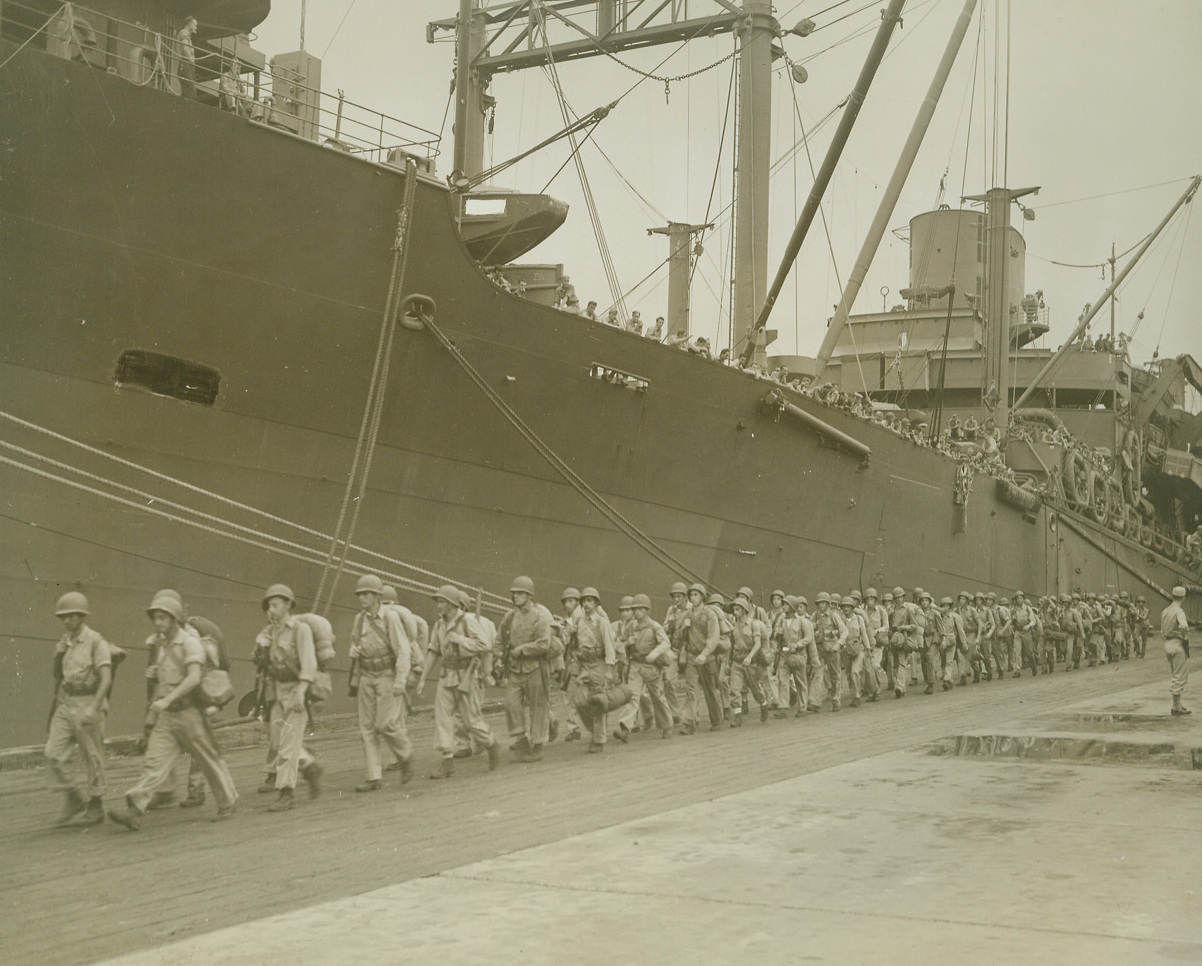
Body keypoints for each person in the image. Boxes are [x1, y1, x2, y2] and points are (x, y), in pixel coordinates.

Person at [108, 595, 238, 829]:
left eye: (163, 618)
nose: (158, 622)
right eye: (155, 618)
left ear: (175, 619)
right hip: (168, 717)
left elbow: (194, 677)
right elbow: (163, 681)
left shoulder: (189, 643)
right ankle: (135, 810)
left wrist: (167, 699)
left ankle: (227, 802)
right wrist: (153, 711)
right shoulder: (162, 645)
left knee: (209, 760)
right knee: (154, 761)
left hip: (190, 713)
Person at [45, 593, 119, 827]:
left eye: (72, 615)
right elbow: (58, 675)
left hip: (89, 702)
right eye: (64, 617)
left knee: (92, 756)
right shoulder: (65, 642)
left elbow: (105, 679)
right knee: (52, 752)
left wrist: (94, 709)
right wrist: (59, 653)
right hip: (68, 703)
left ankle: (96, 805)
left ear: (82, 616)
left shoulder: (96, 642)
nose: (67, 620)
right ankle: (74, 797)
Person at [418, 585, 499, 777]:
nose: (439, 605)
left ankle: (491, 744)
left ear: (453, 604)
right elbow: (434, 651)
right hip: (447, 676)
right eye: (438, 601)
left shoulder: (468, 621)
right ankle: (447, 760)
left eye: (442, 601)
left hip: (467, 676)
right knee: (443, 717)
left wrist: (461, 640)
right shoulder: (439, 625)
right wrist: (422, 678)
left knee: (471, 721)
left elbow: (484, 645)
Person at [256, 585, 324, 811]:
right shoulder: (272, 633)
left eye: (275, 605)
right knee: (278, 741)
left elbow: (309, 664)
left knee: (287, 745)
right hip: (278, 691)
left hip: (296, 691)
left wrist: (302, 692)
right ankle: (310, 766)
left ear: (288, 605)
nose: (271, 611)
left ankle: (286, 793)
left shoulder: (300, 630)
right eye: (268, 607)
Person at [347, 574, 415, 791]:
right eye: (361, 594)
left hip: (387, 675)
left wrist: (400, 680)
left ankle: (406, 756)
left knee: (385, 723)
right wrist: (354, 650)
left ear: (378, 596)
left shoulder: (390, 619)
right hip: (366, 675)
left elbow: (403, 649)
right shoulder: (359, 619)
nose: (363, 598)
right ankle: (373, 777)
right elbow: (354, 642)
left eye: (367, 594)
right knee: (366, 728)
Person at [500, 576, 554, 762]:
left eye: (520, 593)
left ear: (529, 595)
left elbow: (544, 644)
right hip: (514, 669)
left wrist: (522, 650)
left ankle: (538, 746)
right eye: (514, 593)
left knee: (538, 707)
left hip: (535, 668)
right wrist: (497, 659)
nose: (516, 596)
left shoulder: (540, 617)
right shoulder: (509, 617)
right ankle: (522, 740)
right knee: (510, 703)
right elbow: (500, 641)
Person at [616, 594, 674, 739]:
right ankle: (625, 728)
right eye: (635, 609)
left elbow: (666, 643)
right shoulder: (630, 626)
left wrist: (654, 654)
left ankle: (667, 726)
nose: (637, 612)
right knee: (632, 696)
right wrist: (627, 643)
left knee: (657, 696)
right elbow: (622, 644)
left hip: (651, 667)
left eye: (641, 609)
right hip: (636, 665)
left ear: (647, 610)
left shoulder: (655, 626)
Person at [570, 587, 618, 752]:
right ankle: (594, 730)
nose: (586, 604)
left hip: (598, 664)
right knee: (579, 700)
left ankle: (598, 740)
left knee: (597, 701)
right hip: (584, 664)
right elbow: (575, 645)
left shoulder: (602, 622)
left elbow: (609, 645)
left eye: (590, 601)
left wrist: (609, 669)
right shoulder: (579, 622)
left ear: (597, 603)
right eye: (584, 601)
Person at [679, 583, 724, 732]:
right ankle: (688, 724)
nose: (693, 597)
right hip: (692, 657)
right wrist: (683, 628)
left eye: (696, 595)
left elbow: (714, 637)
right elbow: (679, 636)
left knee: (711, 689)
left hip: (707, 658)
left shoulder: (710, 614)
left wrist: (704, 654)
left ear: (703, 597)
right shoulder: (687, 614)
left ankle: (717, 721)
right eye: (691, 595)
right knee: (691, 690)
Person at [1161, 587, 1190, 715]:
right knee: (1179, 675)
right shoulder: (1179, 611)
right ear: (1183, 597)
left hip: (1167, 643)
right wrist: (1184, 636)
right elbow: (1183, 625)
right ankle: (1176, 705)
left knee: (1175, 673)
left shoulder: (1165, 611)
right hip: (1177, 643)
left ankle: (1177, 704)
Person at [175, 16, 198, 99]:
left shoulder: (187, 35)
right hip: (185, 64)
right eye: (195, 25)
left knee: (188, 91)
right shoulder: (184, 32)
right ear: (190, 24)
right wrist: (191, 60)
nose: (196, 27)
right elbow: (185, 48)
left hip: (187, 65)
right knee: (191, 92)